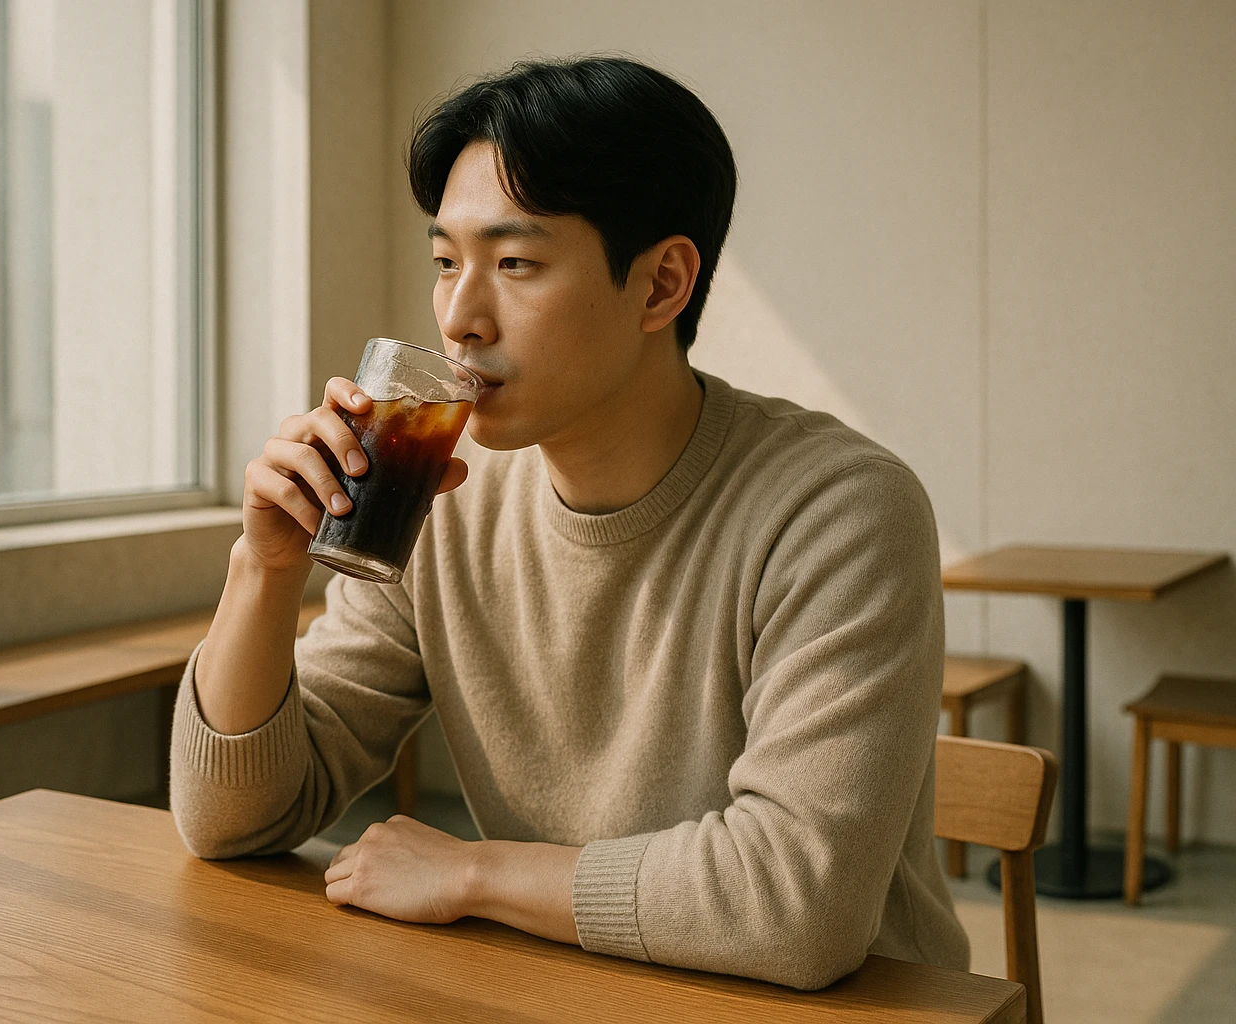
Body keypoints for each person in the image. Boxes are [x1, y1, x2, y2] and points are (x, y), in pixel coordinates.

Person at [169, 55, 968, 990]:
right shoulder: (444, 499)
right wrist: (262, 571)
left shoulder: (840, 511)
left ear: (663, 285)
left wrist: (475, 870)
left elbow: (797, 909)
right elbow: (235, 821)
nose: (461, 318)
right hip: (570, 985)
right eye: (444, 263)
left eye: (515, 264)